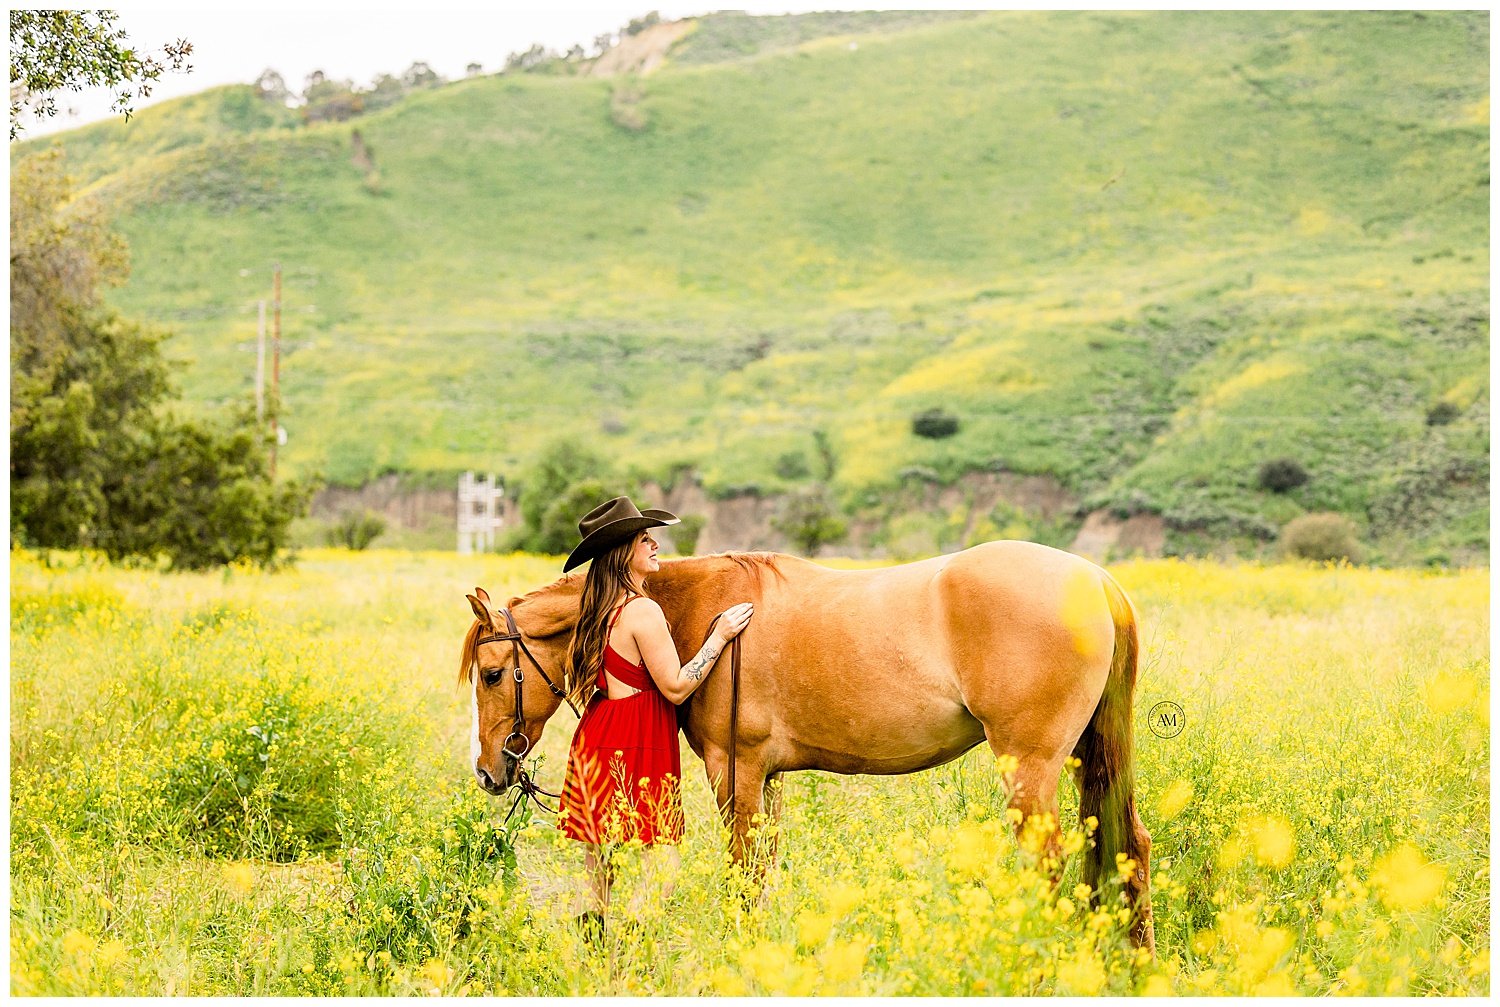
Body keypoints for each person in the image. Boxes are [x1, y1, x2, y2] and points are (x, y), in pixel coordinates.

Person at [556, 495, 753, 940]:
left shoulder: (598, 611)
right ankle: (632, 945)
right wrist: (719, 636)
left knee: (598, 863)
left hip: (599, 731)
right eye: (645, 539)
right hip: (637, 736)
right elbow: (678, 686)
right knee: (661, 862)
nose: (654, 545)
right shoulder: (642, 610)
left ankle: (595, 956)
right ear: (624, 553)